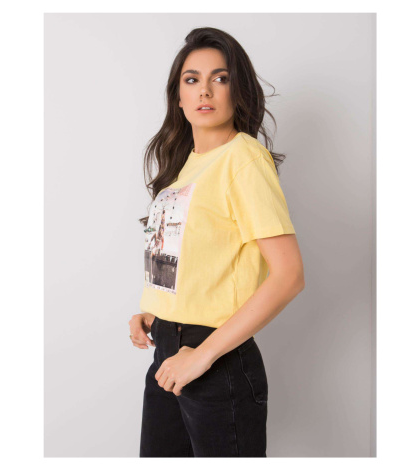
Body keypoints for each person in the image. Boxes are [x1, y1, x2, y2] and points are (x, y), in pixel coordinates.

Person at [128, 26, 305, 457]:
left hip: (215, 361)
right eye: (192, 79)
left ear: (237, 90)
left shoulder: (243, 158)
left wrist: (202, 356)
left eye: (220, 78)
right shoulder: (185, 166)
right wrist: (157, 310)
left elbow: (289, 276)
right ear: (178, 96)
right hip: (168, 353)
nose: (204, 90)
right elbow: (199, 254)